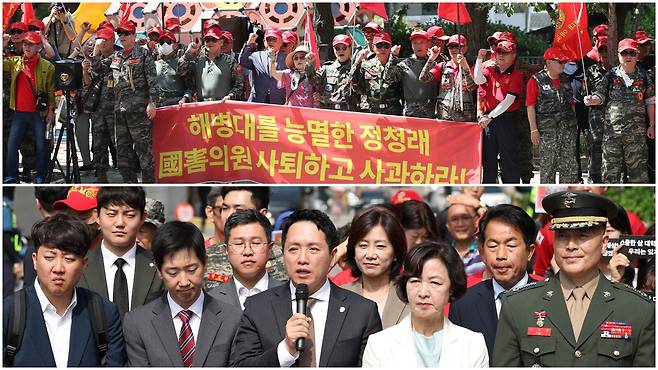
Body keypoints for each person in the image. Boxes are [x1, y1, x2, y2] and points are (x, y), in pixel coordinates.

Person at [493, 190, 655, 366]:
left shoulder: (639, 310)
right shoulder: (518, 306)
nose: (571, 246)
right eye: (562, 236)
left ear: (604, 242)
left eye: (582, 235)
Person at [229, 209, 382, 367]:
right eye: (293, 249)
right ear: (283, 254)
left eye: (313, 249)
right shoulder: (257, 307)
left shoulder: (362, 311)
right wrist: (285, 350)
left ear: (333, 256)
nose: (302, 259)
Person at [3, 213, 126, 366]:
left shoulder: (104, 312)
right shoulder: (9, 312)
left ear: (84, 263)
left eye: (69, 259)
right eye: (49, 257)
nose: (58, 268)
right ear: (34, 260)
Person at [122, 221, 242, 366]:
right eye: (173, 272)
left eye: (191, 270)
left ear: (204, 263)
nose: (184, 281)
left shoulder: (233, 320)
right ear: (159, 271)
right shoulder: (138, 323)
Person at [362, 242, 488, 367]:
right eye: (415, 281)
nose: (423, 293)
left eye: (435, 283)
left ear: (451, 288)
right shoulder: (379, 344)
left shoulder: (473, 344)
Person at [449, 204, 539, 358]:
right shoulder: (463, 304)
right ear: (482, 253)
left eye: (511, 245)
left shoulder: (550, 299)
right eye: (493, 246)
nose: (501, 255)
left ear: (529, 252)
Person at [78, 187, 164, 319]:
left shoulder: (160, 266)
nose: (120, 223)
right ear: (97, 217)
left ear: (142, 218)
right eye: (111, 214)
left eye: (129, 215)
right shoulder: (79, 266)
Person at [584, 38, 655, 183]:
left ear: (637, 55)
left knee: (639, 176)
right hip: (612, 135)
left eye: (632, 53)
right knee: (610, 175)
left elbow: (650, 102)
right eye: (624, 53)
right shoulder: (610, 76)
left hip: (636, 136)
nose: (628, 56)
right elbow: (600, 95)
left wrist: (653, 125)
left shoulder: (645, 77)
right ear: (618, 55)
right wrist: (592, 100)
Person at [342, 207, 409, 328]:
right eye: (363, 245)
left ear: (395, 252)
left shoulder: (409, 296)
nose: (370, 255)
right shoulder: (338, 296)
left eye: (380, 246)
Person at [3, 31, 56, 184]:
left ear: (39, 47)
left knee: (41, 146)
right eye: (25, 43)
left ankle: (40, 175)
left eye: (31, 44)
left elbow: (52, 91)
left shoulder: (47, 66)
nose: (27, 46)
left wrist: (51, 111)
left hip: (38, 113)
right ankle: (12, 175)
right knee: (12, 145)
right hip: (19, 113)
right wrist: (3, 45)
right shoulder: (15, 62)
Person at [109, 20, 158, 183]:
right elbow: (101, 71)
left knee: (144, 153)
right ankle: (130, 185)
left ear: (134, 36)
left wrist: (152, 103)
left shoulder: (143, 54)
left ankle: (150, 185)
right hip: (120, 111)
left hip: (138, 112)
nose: (122, 36)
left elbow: (152, 80)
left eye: (125, 33)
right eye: (119, 34)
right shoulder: (116, 56)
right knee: (122, 153)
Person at [208, 209, 284, 310]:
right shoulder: (210, 301)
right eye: (239, 244)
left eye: (256, 243)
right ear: (226, 250)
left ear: (270, 248)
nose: (247, 252)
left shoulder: (288, 296)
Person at [474, 40, 525, 183]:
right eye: (499, 52)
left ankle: (511, 185)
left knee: (508, 158)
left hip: (506, 119)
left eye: (505, 53)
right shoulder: (490, 70)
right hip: (489, 118)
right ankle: (489, 182)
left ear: (513, 55)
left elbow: (508, 101)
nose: (501, 55)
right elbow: (478, 80)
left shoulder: (516, 75)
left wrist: (489, 116)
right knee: (488, 158)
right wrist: (479, 59)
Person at [204, 186, 275, 288]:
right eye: (225, 208)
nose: (229, 216)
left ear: (262, 214)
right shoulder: (204, 259)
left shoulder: (285, 259)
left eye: (239, 210)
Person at [526, 47, 579, 183]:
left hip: (568, 130)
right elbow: (530, 106)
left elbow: (571, 104)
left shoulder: (566, 80)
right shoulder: (536, 80)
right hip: (548, 132)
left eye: (564, 62)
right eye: (560, 62)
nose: (563, 65)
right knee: (548, 167)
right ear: (549, 62)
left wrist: (574, 126)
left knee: (568, 167)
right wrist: (533, 130)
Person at [88, 26, 122, 183]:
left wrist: (94, 52)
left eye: (103, 41)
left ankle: (128, 176)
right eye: (99, 40)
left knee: (119, 143)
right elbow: (91, 77)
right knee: (99, 144)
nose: (100, 43)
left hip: (115, 108)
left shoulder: (117, 56)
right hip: (98, 108)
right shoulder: (98, 58)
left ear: (110, 41)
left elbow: (100, 68)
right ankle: (101, 176)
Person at [179, 26, 243, 103]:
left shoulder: (230, 61)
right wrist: (188, 53)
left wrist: (230, 96)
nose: (210, 42)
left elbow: (239, 85)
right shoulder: (196, 60)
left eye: (214, 39)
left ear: (221, 42)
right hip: (202, 108)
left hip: (223, 107)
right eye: (207, 40)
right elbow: (181, 73)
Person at [420, 34, 476, 121]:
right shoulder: (443, 66)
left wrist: (465, 68)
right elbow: (423, 78)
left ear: (465, 48)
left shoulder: (472, 66)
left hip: (465, 119)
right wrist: (432, 58)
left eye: (457, 46)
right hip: (444, 117)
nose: (454, 49)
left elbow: (472, 87)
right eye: (450, 46)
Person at [387, 30, 437, 118]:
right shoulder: (406, 64)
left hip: (431, 111)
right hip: (411, 112)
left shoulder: (435, 62)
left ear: (428, 44)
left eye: (422, 42)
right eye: (415, 43)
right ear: (412, 46)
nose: (419, 46)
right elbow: (389, 78)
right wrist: (393, 57)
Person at [351, 32, 403, 115]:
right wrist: (357, 63)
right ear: (373, 47)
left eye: (386, 46)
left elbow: (401, 90)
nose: (383, 49)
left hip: (393, 112)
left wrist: (393, 58)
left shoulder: (398, 65)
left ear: (390, 47)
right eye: (379, 46)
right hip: (372, 112)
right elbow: (356, 87)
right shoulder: (365, 65)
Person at [583, 36, 610, 184]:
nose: (605, 52)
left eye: (607, 48)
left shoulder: (617, 69)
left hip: (614, 115)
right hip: (596, 116)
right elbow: (583, 92)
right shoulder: (591, 70)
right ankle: (594, 179)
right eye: (602, 49)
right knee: (595, 147)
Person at [306, 34, 358, 111]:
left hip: (349, 111)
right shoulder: (327, 67)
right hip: (330, 111)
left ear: (350, 48)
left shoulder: (356, 68)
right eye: (337, 48)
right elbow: (314, 81)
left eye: (344, 48)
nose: (340, 51)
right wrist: (309, 65)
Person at [239, 27, 287, 104]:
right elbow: (242, 61)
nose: (271, 42)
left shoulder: (287, 58)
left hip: (278, 101)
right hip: (258, 99)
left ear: (281, 41)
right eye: (268, 39)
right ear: (264, 41)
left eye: (274, 39)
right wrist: (249, 44)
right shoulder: (256, 56)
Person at [445, 200, 485, 276]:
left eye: (465, 218)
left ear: (476, 221)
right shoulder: (443, 255)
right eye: (454, 219)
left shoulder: (486, 252)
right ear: (448, 225)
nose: (460, 224)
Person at [153, 30, 189, 107]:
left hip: (177, 105)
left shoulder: (181, 63)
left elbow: (190, 87)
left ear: (175, 45)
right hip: (160, 106)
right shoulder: (155, 64)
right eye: (162, 43)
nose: (165, 44)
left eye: (168, 42)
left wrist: (184, 99)